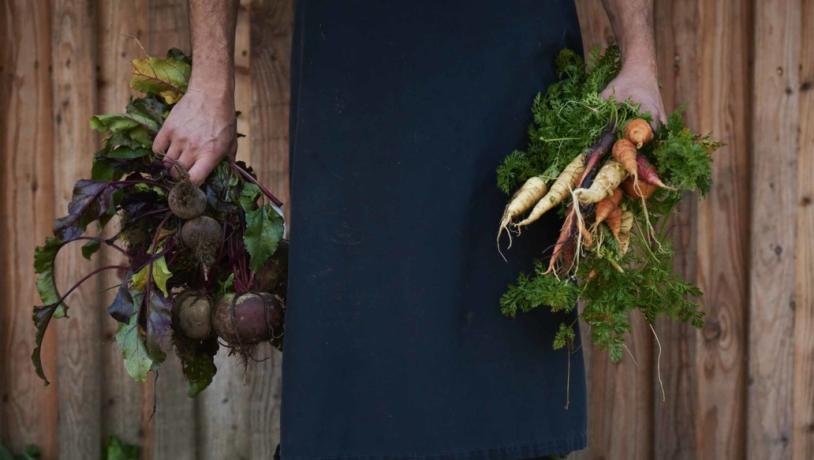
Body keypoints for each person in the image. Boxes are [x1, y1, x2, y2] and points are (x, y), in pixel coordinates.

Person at [153, 1, 665, 458]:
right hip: (357, 70)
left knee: (505, 328)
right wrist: (210, 81)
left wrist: (640, 59)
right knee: (359, 360)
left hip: (512, 70)